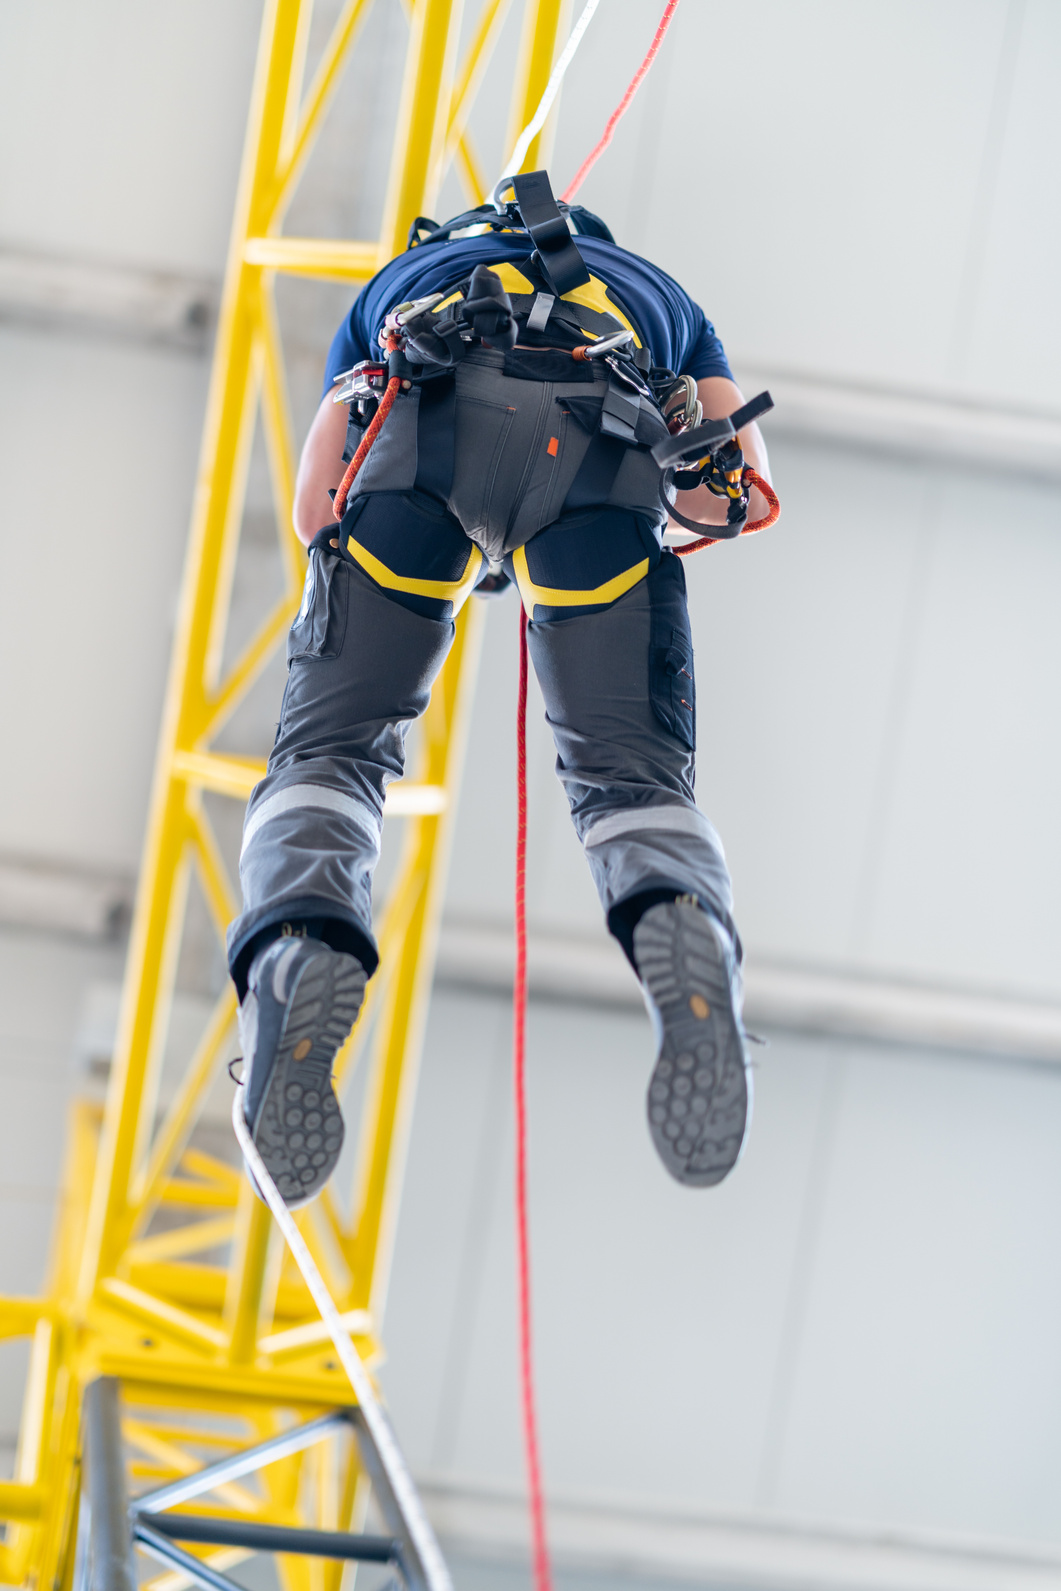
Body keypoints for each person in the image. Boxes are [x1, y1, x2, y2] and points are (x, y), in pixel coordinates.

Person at [228, 173, 772, 1206]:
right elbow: (726, 497)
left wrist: (443, 564)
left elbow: (316, 503)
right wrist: (562, 553)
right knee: (628, 779)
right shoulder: (661, 297)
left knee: (332, 752)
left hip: (422, 437)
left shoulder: (405, 277)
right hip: (600, 462)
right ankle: (683, 925)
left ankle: (301, 946)